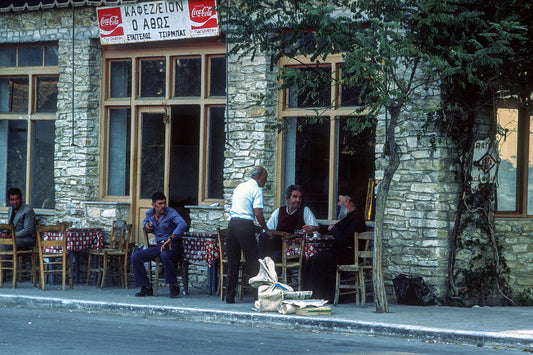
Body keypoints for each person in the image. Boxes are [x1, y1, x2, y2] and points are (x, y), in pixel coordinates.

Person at [303, 194, 366, 302]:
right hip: (342, 253)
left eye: (340, 201)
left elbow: (343, 238)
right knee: (313, 259)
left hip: (349, 255)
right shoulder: (351, 217)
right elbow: (335, 227)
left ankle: (320, 295)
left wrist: (333, 230)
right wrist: (315, 228)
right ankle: (310, 294)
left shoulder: (356, 219)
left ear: (347, 202)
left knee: (317, 260)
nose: (338, 204)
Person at [226, 166, 269, 304]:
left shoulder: (240, 187)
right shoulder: (256, 189)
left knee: (233, 262)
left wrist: (252, 226)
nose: (266, 181)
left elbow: (240, 210)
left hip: (232, 225)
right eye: (265, 177)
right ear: (258, 177)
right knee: (252, 261)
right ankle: (258, 297)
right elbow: (257, 213)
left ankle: (229, 297)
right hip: (244, 226)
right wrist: (265, 229)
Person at [131, 192, 187, 298]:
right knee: (136, 256)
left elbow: (182, 224)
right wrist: (146, 225)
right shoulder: (149, 214)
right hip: (159, 245)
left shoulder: (171, 212)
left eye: (164, 203)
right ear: (153, 205)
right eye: (160, 204)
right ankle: (146, 287)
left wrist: (171, 238)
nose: (163, 206)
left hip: (174, 244)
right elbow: (145, 222)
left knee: (165, 255)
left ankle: (173, 285)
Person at [257, 184, 319, 262]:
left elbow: (315, 233)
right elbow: (268, 230)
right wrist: (281, 233)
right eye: (295, 197)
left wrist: (310, 233)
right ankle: (261, 267)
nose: (298, 200)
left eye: (300, 197)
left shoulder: (305, 211)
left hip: (296, 249)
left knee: (275, 256)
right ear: (287, 199)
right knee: (264, 236)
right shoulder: (279, 211)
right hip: (280, 245)